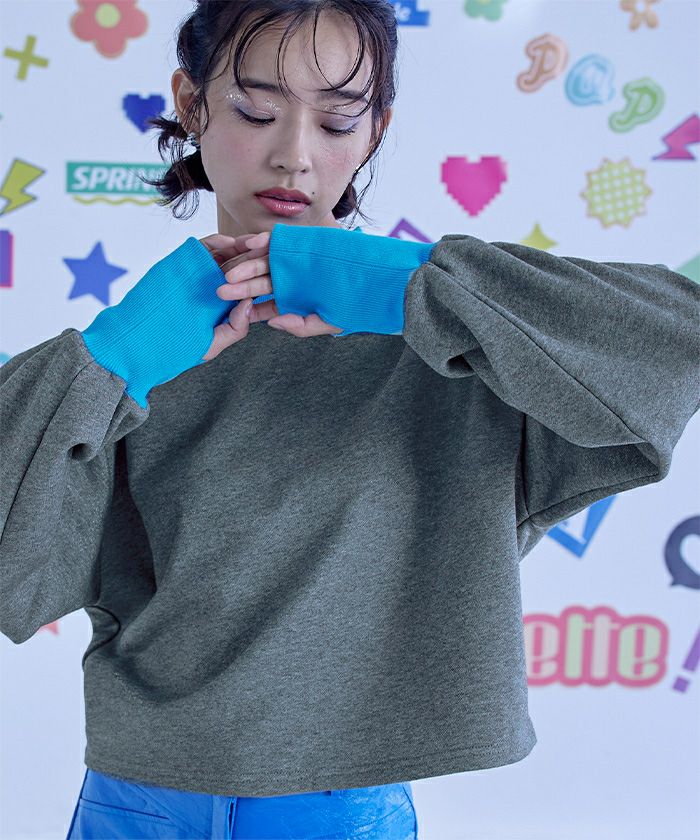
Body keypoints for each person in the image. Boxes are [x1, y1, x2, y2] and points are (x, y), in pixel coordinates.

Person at [1, 0, 698, 838]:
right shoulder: (136, 353)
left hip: (338, 807)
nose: (294, 154)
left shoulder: (457, 337)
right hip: (138, 797)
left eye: (336, 120)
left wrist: (415, 286)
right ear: (190, 103)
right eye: (255, 110)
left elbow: (677, 343)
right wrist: (111, 358)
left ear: (376, 131)